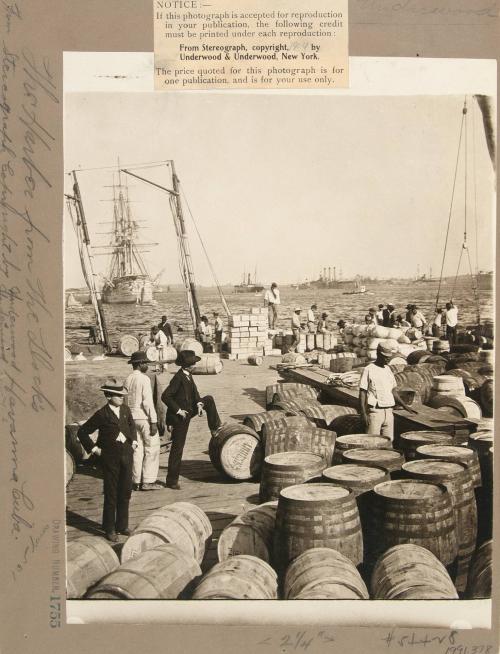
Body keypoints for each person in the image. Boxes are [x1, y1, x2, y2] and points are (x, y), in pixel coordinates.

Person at [77, 378, 138, 541]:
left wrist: (134, 441)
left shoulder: (125, 410)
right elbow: (82, 432)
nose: (122, 398)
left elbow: (132, 426)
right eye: (118, 395)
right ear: (109, 396)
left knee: (125, 491)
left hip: (127, 455)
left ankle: (122, 525)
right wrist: (95, 449)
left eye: (123, 395)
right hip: (110, 458)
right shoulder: (101, 414)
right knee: (111, 493)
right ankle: (109, 528)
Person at [161, 350, 221, 489]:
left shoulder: (189, 375)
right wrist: (178, 410)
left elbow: (195, 393)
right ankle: (172, 481)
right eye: (193, 363)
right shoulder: (178, 378)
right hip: (179, 417)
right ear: (188, 365)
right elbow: (165, 396)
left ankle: (214, 428)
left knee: (208, 400)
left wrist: (199, 404)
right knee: (177, 448)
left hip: (190, 410)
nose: (195, 365)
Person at [359, 344, 417, 441]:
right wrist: (363, 413)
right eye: (385, 357)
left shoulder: (388, 370)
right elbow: (362, 392)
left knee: (389, 442)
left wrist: (405, 406)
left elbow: (393, 391)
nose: (387, 360)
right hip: (375, 412)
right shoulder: (369, 369)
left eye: (389, 358)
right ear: (378, 354)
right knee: (372, 442)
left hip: (389, 412)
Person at [124, 351, 162, 492]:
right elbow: (147, 402)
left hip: (131, 418)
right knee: (152, 448)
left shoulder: (127, 379)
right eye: (145, 363)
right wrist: (153, 421)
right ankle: (148, 481)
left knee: (137, 450)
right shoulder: (144, 379)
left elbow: (125, 401)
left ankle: (136, 481)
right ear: (140, 364)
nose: (147, 365)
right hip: (144, 417)